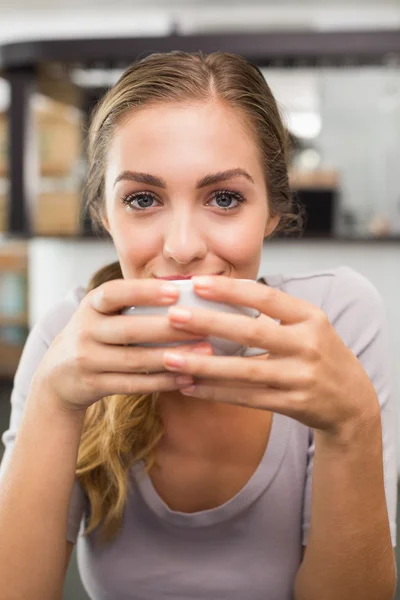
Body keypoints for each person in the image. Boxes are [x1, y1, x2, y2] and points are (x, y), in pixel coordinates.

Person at [0, 51, 397, 600]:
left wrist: (352, 425)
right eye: (142, 199)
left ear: (272, 212)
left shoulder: (338, 321)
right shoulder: (68, 337)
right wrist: (52, 400)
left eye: (225, 198)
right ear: (104, 215)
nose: (182, 247)